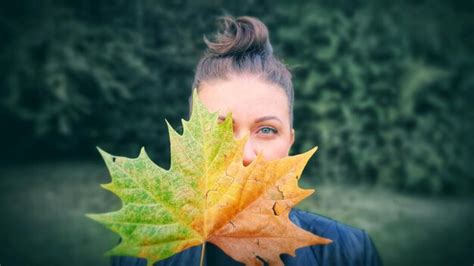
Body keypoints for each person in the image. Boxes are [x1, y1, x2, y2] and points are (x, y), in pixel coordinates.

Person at [112, 16, 382, 266]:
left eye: (266, 130)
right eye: (221, 130)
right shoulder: (142, 253)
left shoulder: (349, 253)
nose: (244, 154)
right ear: (192, 145)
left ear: (290, 142)